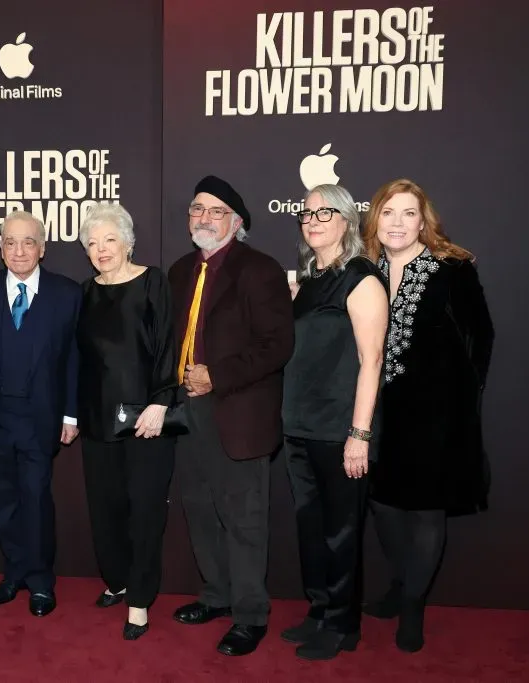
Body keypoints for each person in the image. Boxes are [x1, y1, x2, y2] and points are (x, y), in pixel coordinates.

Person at [362, 179, 494, 653]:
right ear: (374, 219)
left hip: (437, 417)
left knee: (425, 512)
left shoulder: (451, 268)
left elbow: (481, 334)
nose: (397, 222)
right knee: (383, 505)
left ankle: (413, 604)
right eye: (389, 212)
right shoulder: (363, 269)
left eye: (408, 213)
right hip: (376, 413)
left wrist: (462, 397)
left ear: (424, 220)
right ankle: (402, 584)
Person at [168, 176, 294, 657]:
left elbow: (277, 346)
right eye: (196, 209)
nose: (203, 218)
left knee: (243, 520)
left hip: (238, 412)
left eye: (215, 211)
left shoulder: (259, 270)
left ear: (236, 222)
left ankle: (249, 615)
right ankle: (216, 596)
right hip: (188, 412)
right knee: (200, 511)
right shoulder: (180, 271)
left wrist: (216, 376)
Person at [280, 184, 389, 660]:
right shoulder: (307, 279)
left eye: (326, 212)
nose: (314, 220)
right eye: (307, 214)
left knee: (341, 530)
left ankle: (344, 624)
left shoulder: (361, 278)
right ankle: (320, 609)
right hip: (298, 424)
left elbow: (372, 361)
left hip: (341, 429)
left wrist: (359, 435)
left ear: (347, 220)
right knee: (310, 525)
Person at [0, 211, 82, 618]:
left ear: (43, 248)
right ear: (0, 249)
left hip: (40, 419)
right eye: (10, 242)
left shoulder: (67, 294)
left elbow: (74, 359)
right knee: (3, 500)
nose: (19, 250)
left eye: (28, 242)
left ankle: (41, 582)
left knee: (36, 499)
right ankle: (14, 573)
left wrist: (70, 414)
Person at [75, 203, 176, 641]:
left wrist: (161, 403)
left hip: (145, 419)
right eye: (92, 243)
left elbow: (170, 345)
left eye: (109, 240)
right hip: (98, 419)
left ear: (128, 242)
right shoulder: (86, 291)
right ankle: (116, 580)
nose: (101, 250)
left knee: (145, 512)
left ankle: (139, 600)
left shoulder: (153, 280)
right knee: (106, 509)